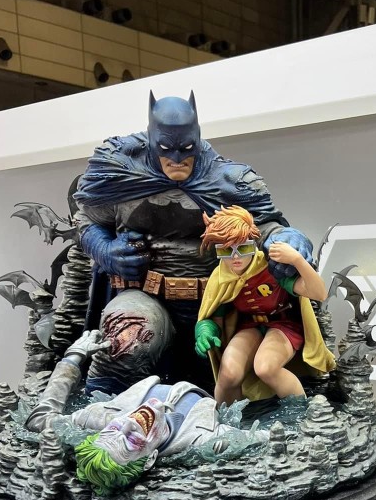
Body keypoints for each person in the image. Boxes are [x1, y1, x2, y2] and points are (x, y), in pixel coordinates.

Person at [73, 92, 313, 391]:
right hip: (146, 294)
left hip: (218, 301)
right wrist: (105, 250)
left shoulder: (229, 181)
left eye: (186, 149)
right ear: (152, 140)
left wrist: (289, 239)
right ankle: (102, 410)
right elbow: (87, 221)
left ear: (196, 139)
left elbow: (264, 227)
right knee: (127, 340)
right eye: (166, 149)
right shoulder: (121, 173)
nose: (177, 159)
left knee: (222, 379)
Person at [25, 329, 259, 497]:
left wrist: (74, 356)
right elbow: (264, 437)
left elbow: (38, 421)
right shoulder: (202, 439)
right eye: (131, 440)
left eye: (114, 429)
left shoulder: (99, 418)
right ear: (150, 460)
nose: (129, 424)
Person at [194, 206, 335, 402]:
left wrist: (297, 260)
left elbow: (319, 293)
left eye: (243, 248)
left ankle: (299, 412)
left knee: (266, 367)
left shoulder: (270, 266)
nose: (235, 257)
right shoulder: (220, 278)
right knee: (229, 373)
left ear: (253, 244)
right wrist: (205, 330)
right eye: (226, 250)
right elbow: (215, 316)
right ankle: (226, 417)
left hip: (283, 324)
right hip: (249, 326)